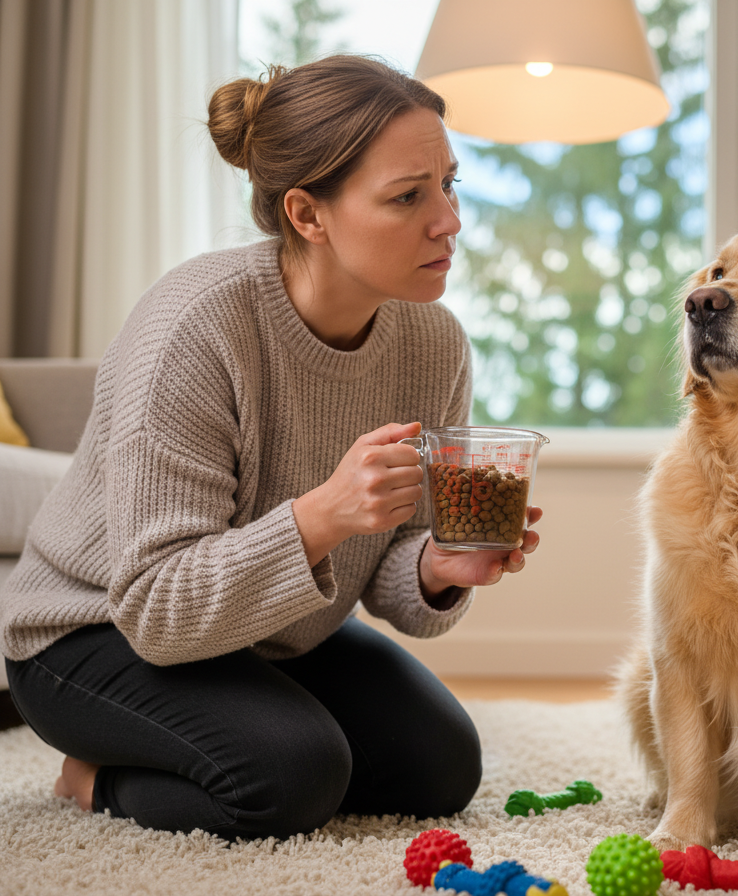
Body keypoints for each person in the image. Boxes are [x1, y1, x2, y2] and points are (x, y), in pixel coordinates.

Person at [0, 54, 543, 840]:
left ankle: (236, 730)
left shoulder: (433, 342)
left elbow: (385, 565)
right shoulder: (196, 330)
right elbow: (155, 610)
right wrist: (322, 515)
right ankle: (94, 779)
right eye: (408, 196)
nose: (449, 221)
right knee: (292, 776)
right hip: (92, 631)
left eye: (448, 185)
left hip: (265, 627)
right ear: (307, 214)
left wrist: (435, 566)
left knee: (439, 771)